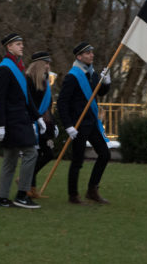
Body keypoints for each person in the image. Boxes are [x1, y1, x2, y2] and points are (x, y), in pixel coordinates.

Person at [0, 33, 45, 209]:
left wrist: (37, 116)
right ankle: (22, 195)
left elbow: (26, 96)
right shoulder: (4, 69)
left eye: (22, 43)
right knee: (31, 153)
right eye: (18, 44)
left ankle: (3, 198)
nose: (22, 46)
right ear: (9, 47)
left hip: (18, 120)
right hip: (13, 121)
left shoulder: (17, 67)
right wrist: (0, 125)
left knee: (10, 160)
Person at [57, 42, 111, 204]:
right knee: (77, 161)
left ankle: (92, 190)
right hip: (77, 124)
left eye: (92, 52)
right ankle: (73, 195)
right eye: (87, 53)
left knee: (105, 154)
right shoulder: (72, 76)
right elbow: (62, 102)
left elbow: (98, 93)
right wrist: (68, 126)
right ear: (79, 57)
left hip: (91, 122)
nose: (91, 55)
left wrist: (106, 83)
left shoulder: (93, 74)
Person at [25, 51, 59, 198]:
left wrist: (54, 123)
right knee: (35, 155)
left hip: (46, 124)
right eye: (46, 63)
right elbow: (28, 103)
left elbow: (48, 105)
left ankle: (27, 182)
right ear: (39, 64)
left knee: (48, 154)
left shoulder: (46, 82)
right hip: (34, 122)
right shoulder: (29, 80)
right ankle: (30, 188)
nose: (48, 66)